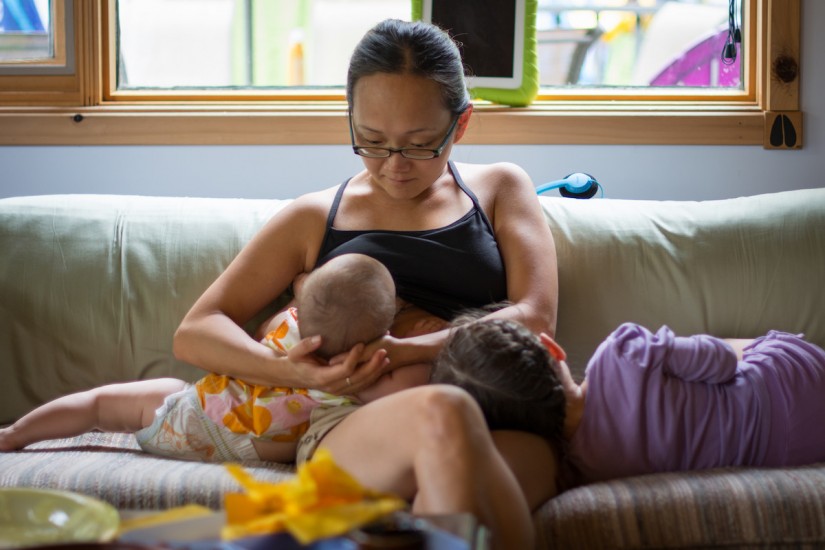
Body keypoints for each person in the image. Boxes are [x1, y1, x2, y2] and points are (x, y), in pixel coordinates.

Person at [171, 18, 559, 550]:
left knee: (510, 464)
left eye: (420, 144)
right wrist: (289, 370)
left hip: (496, 416)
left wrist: (405, 351)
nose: (394, 166)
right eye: (371, 141)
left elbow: (536, 316)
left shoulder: (499, 189)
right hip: (356, 424)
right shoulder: (314, 218)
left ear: (461, 124)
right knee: (443, 412)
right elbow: (196, 331)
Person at [0, 254, 432, 463]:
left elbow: (270, 326)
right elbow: (408, 386)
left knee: (99, 404)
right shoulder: (360, 373)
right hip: (247, 450)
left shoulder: (286, 325)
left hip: (187, 414)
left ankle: (15, 434)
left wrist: (302, 292)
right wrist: (396, 344)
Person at [434, 317, 825, 487]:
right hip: (792, 381)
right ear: (553, 348)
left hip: (790, 452)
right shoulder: (623, 352)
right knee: (747, 350)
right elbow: (721, 361)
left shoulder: (585, 471)